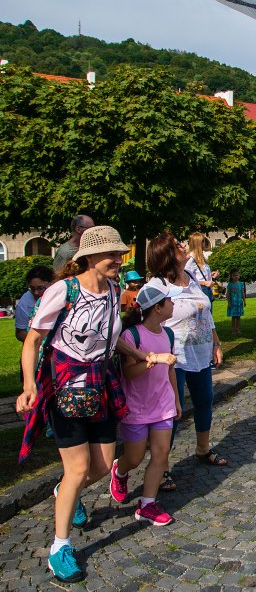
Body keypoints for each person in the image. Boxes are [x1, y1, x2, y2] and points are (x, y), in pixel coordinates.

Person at [16, 225, 129, 584]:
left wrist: (146, 353)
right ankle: (59, 548)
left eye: (120, 252)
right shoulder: (62, 290)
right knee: (78, 469)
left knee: (102, 465)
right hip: (66, 387)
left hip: (102, 385)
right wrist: (29, 384)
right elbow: (32, 340)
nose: (119, 259)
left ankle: (64, 490)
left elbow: (113, 340)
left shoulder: (115, 290)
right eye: (112, 254)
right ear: (90, 258)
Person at [148, 232, 227, 482]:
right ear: (168, 255)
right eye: (177, 245)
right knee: (172, 411)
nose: (183, 246)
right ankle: (160, 468)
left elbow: (207, 312)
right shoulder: (157, 286)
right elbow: (147, 322)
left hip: (201, 352)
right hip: (174, 357)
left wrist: (216, 342)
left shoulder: (191, 275)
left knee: (205, 401)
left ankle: (203, 449)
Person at [110, 278, 182, 527]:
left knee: (161, 454)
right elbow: (129, 373)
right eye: (170, 300)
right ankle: (120, 471)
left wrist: (175, 398)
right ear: (158, 308)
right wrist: (154, 359)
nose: (173, 303)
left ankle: (147, 504)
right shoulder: (132, 336)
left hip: (162, 404)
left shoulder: (168, 333)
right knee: (135, 457)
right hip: (137, 407)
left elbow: (170, 371)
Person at [15, 265, 53, 344]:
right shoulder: (24, 303)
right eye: (32, 288)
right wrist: (38, 342)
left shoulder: (61, 295)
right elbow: (20, 332)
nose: (36, 292)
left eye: (40, 288)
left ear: (51, 284)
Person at [185, 232, 216, 302]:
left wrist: (211, 275)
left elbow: (198, 274)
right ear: (198, 243)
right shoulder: (191, 258)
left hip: (206, 291)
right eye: (203, 241)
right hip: (199, 292)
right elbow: (187, 279)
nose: (204, 243)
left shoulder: (201, 256)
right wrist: (205, 283)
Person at [225, 268, 246, 334]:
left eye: (237, 275)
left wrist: (244, 301)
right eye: (234, 275)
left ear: (239, 276)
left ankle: (238, 329)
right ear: (231, 276)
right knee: (233, 317)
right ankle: (233, 330)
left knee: (238, 317)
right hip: (233, 303)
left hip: (239, 303)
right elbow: (228, 294)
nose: (236, 277)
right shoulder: (230, 284)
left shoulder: (241, 284)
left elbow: (242, 293)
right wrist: (229, 302)